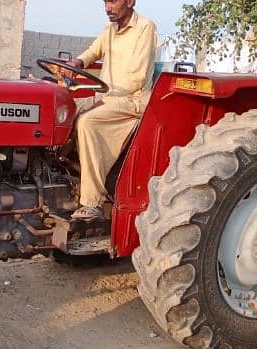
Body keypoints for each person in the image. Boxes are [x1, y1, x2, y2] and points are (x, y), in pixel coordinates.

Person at [67, 0, 158, 220]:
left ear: (130, 2)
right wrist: (78, 62)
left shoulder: (145, 28)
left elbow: (136, 78)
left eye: (113, 1)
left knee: (88, 122)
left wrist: (104, 100)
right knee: (62, 111)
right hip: (108, 97)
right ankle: (63, 178)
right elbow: (93, 51)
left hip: (133, 101)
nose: (108, 7)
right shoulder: (109, 29)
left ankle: (92, 203)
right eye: (105, 2)